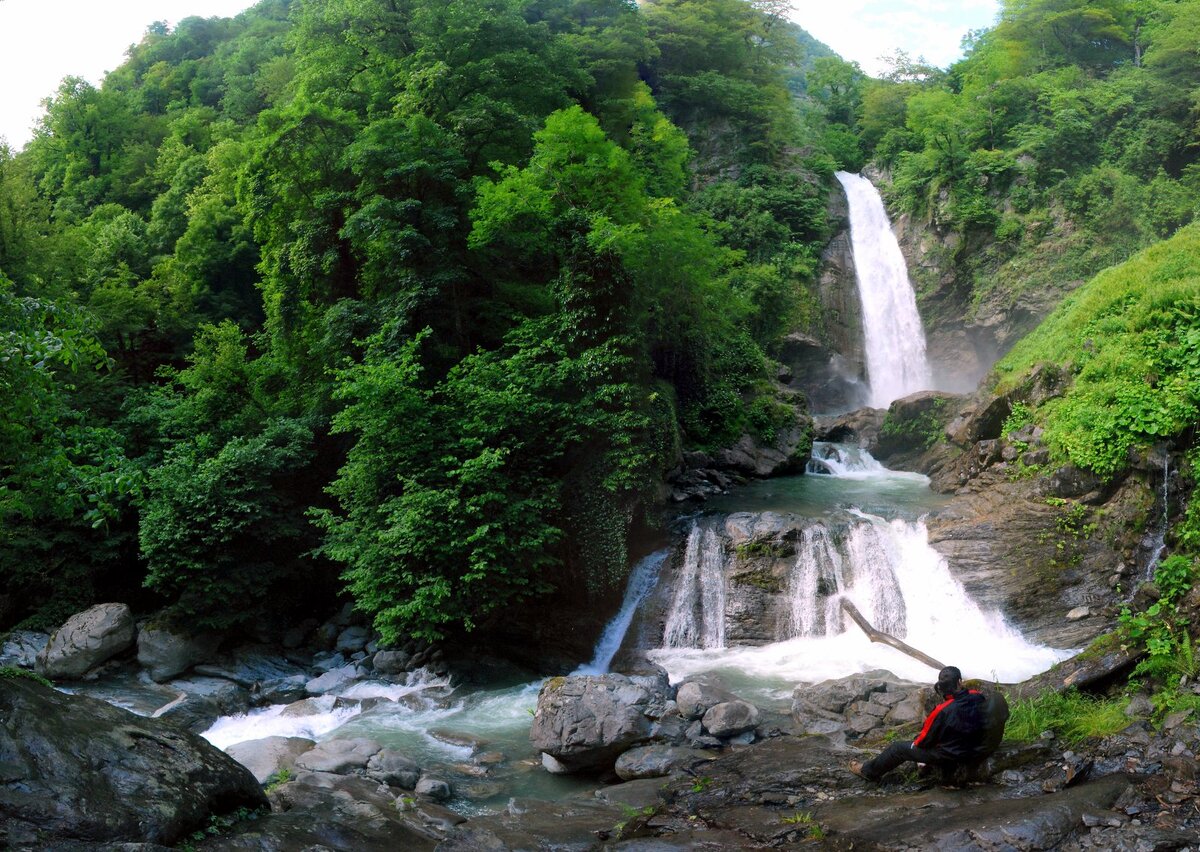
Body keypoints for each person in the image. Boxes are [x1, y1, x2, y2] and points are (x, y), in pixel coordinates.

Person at [849, 666, 986, 783]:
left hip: (951, 755)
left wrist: (915, 745)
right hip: (974, 748)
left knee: (898, 748)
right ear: (960, 682)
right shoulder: (977, 696)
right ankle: (924, 765)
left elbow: (924, 740)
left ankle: (868, 771)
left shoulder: (942, 710)